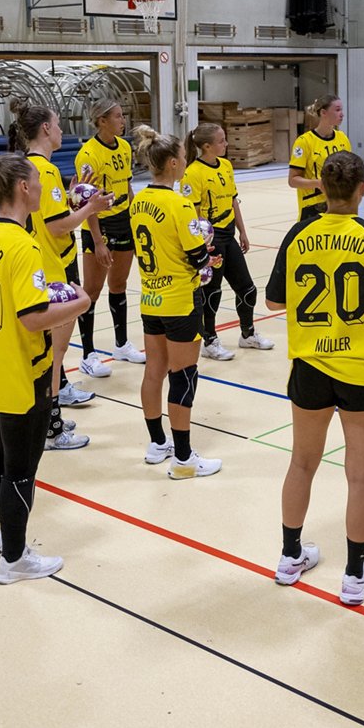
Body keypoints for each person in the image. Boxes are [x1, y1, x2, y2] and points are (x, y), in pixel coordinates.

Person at [266, 151, 364, 606]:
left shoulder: (298, 234)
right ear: (363, 189)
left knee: (302, 463)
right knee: (361, 475)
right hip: (362, 369)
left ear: (322, 189)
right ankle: (352, 575)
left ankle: (290, 557)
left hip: (309, 366)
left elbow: (273, 302)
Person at [0, 150, 92, 584]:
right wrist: (78, 302)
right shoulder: (24, 245)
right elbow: (31, 318)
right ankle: (14, 558)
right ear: (23, 188)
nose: (42, 190)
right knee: (21, 469)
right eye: (37, 183)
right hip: (21, 372)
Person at [9, 99, 114, 451]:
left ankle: (46, 421)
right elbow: (57, 227)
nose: (62, 130)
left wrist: (71, 197)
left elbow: (42, 216)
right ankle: (52, 430)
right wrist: (91, 207)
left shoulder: (26, 167)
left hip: (36, 268)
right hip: (52, 271)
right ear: (45, 129)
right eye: (57, 124)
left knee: (46, 357)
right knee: (54, 359)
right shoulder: (45, 171)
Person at [128, 126, 223, 479]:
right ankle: (183, 459)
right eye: (184, 158)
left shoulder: (140, 200)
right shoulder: (179, 204)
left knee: (154, 371)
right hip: (180, 301)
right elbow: (197, 255)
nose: (187, 162)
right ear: (171, 163)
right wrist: (208, 258)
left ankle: (157, 444)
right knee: (183, 375)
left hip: (150, 298)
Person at [181, 122, 275, 361]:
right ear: (206, 146)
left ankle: (248, 334)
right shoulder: (193, 172)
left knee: (247, 288)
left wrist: (242, 231)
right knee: (212, 293)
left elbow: (233, 201)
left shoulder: (226, 165)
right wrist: (202, 247)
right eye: (221, 141)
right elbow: (192, 213)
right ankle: (210, 341)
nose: (226, 144)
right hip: (211, 239)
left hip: (229, 234)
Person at [75, 96, 146, 378]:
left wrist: (137, 219)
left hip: (124, 222)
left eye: (122, 115)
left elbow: (127, 188)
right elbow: (85, 202)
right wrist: (99, 241)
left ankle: (120, 345)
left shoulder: (126, 147)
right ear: (102, 121)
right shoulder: (88, 155)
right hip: (99, 226)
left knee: (119, 284)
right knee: (91, 291)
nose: (123, 120)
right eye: (117, 116)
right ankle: (88, 354)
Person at [288, 94, 351, 221]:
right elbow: (293, 180)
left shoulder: (342, 139)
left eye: (342, 110)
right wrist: (318, 183)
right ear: (323, 112)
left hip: (339, 204)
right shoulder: (304, 142)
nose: (342, 114)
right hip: (313, 207)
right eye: (337, 110)